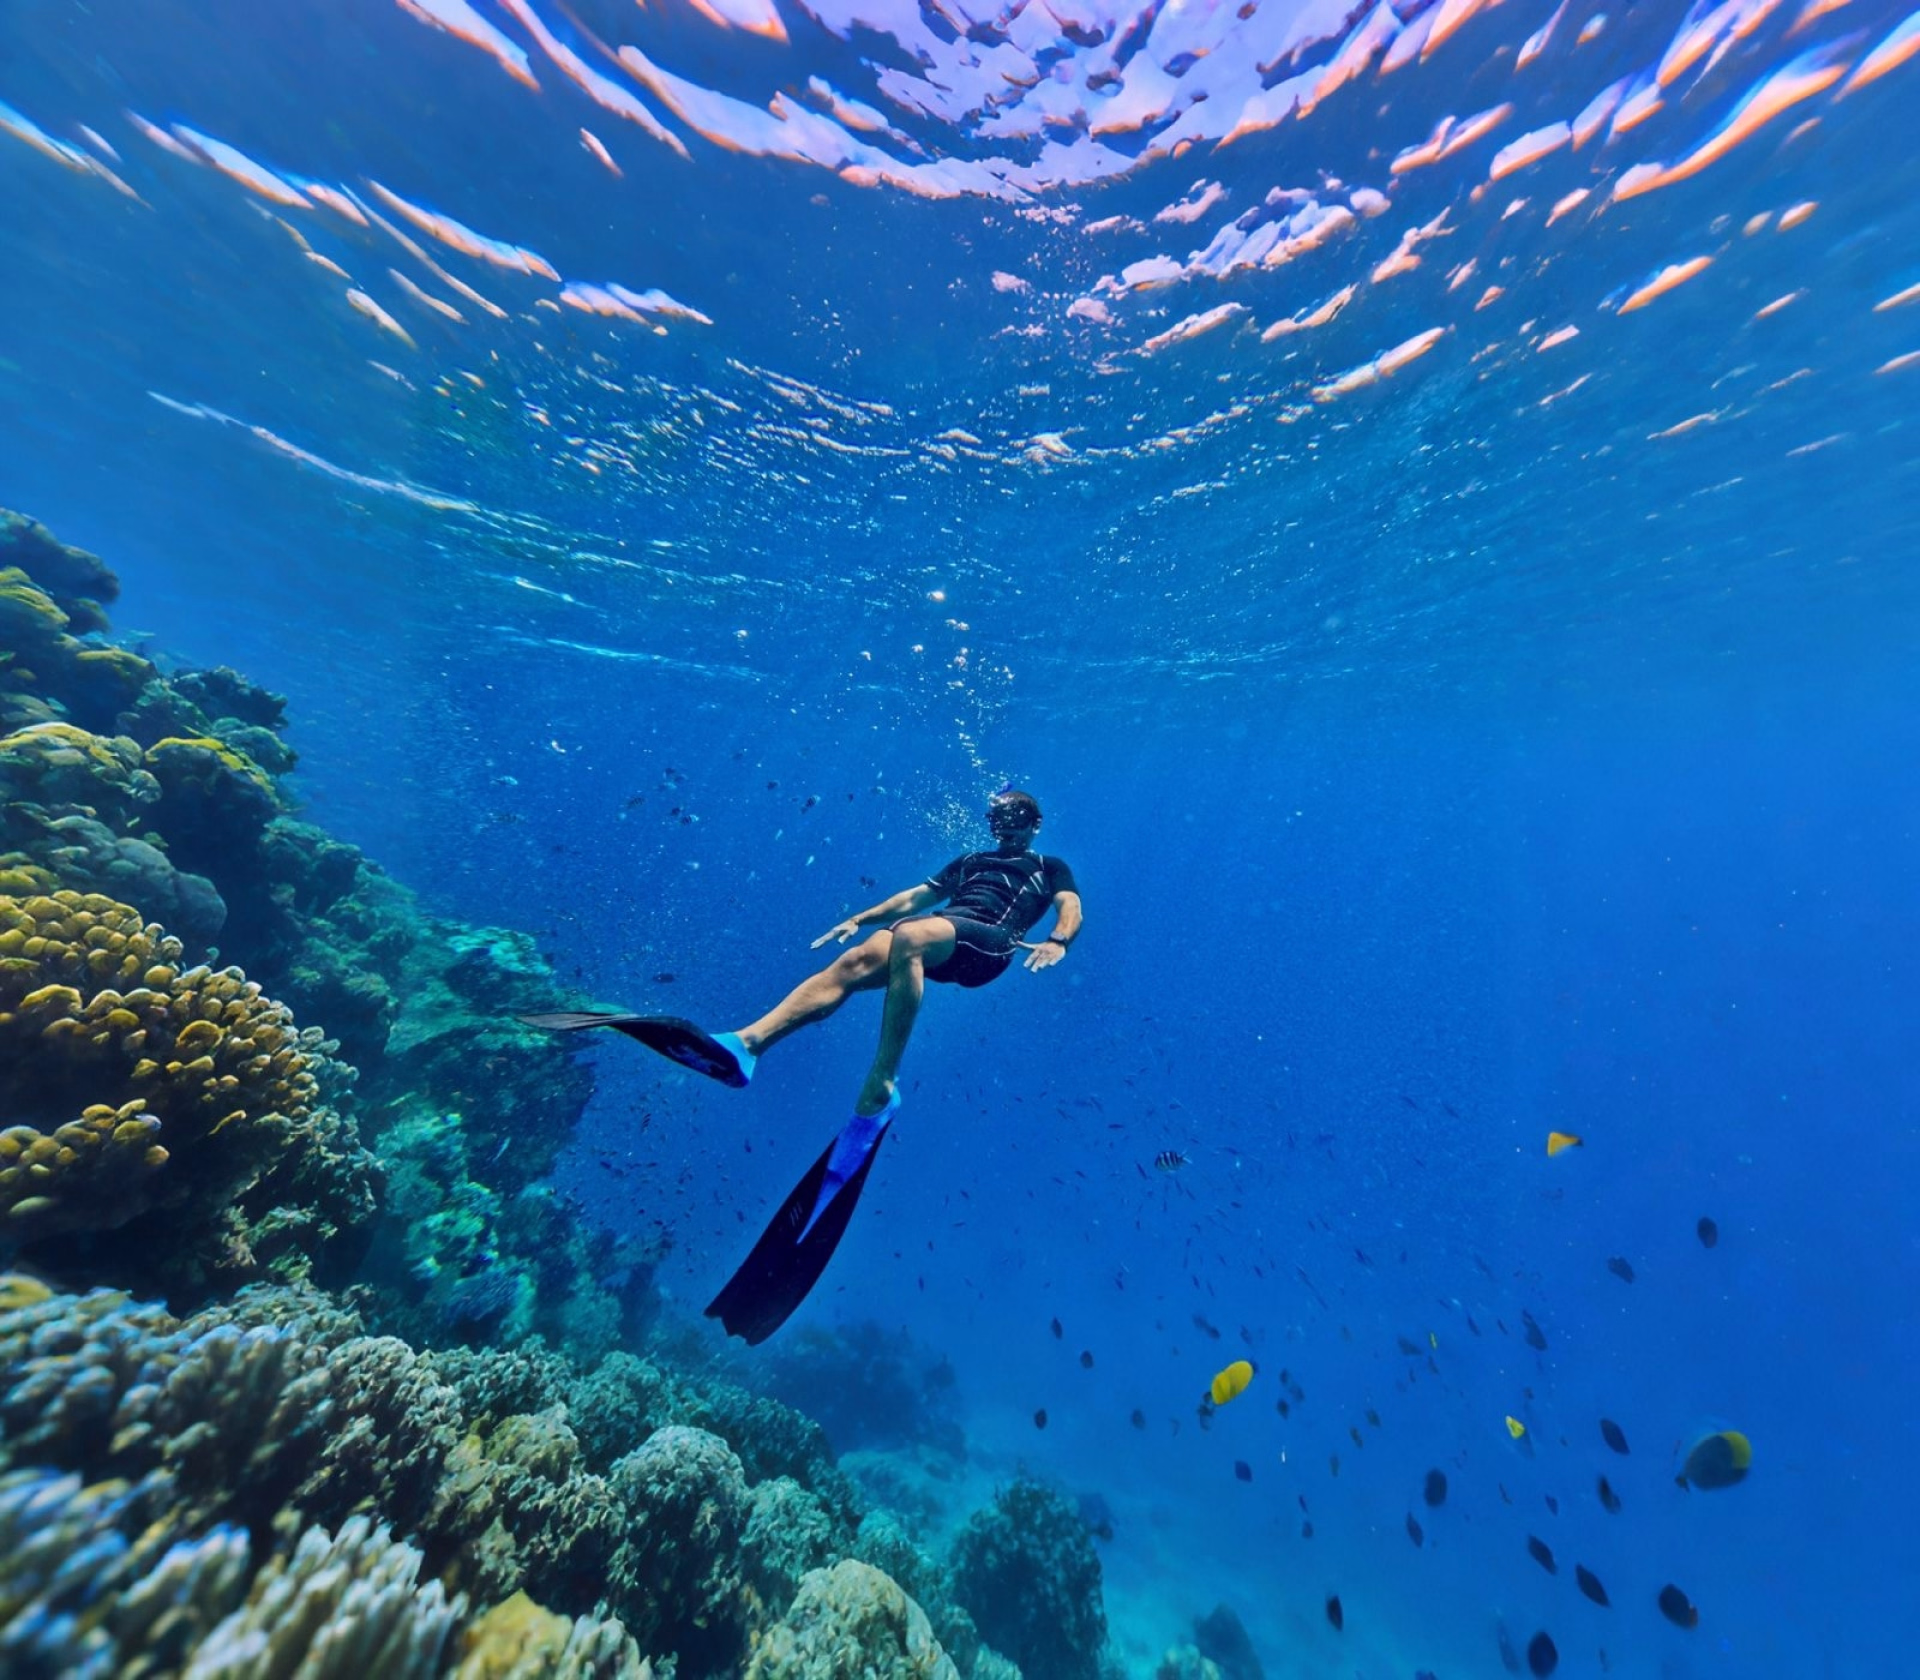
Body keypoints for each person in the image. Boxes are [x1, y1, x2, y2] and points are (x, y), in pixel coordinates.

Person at [521, 786, 1082, 1343]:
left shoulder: (1047, 865)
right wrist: (860, 918)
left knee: (911, 937)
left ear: (1033, 823)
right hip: (942, 934)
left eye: (1016, 818)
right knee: (861, 956)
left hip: (991, 948)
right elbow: (914, 896)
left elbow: (1069, 906)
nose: (1005, 827)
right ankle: (746, 1047)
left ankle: (882, 1082)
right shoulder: (969, 862)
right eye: (998, 818)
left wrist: (1059, 941)